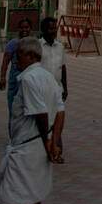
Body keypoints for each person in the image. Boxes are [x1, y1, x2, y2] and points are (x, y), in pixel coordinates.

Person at [0, 37, 65, 204]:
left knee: (9, 198)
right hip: (38, 147)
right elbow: (59, 112)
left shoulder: (28, 79)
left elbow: (41, 113)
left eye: (20, 57)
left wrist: (48, 142)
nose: (16, 61)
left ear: (33, 57)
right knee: (34, 198)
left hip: (26, 147)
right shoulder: (49, 78)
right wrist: (54, 142)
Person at [39, 17, 67, 162]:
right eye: (50, 28)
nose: (53, 31)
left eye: (54, 28)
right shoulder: (38, 47)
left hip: (57, 88)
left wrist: (65, 87)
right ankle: (45, 148)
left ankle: (57, 149)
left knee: (58, 119)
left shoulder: (59, 47)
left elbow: (63, 67)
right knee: (45, 120)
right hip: (42, 90)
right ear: (43, 30)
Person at [0, 16, 33, 122]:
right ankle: (13, 135)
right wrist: (2, 77)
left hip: (29, 82)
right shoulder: (13, 43)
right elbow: (5, 61)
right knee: (14, 109)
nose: (24, 30)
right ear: (18, 29)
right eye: (22, 28)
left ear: (30, 28)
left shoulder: (33, 43)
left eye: (27, 27)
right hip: (15, 81)